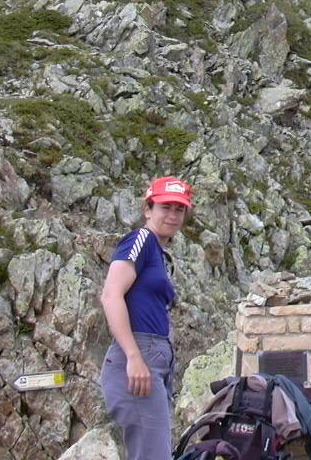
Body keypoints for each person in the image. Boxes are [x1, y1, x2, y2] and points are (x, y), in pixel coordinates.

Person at [100, 176, 193, 460]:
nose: (173, 215)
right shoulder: (141, 240)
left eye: (179, 209)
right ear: (148, 209)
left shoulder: (159, 254)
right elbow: (111, 295)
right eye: (166, 207)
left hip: (154, 361)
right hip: (138, 360)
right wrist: (134, 357)